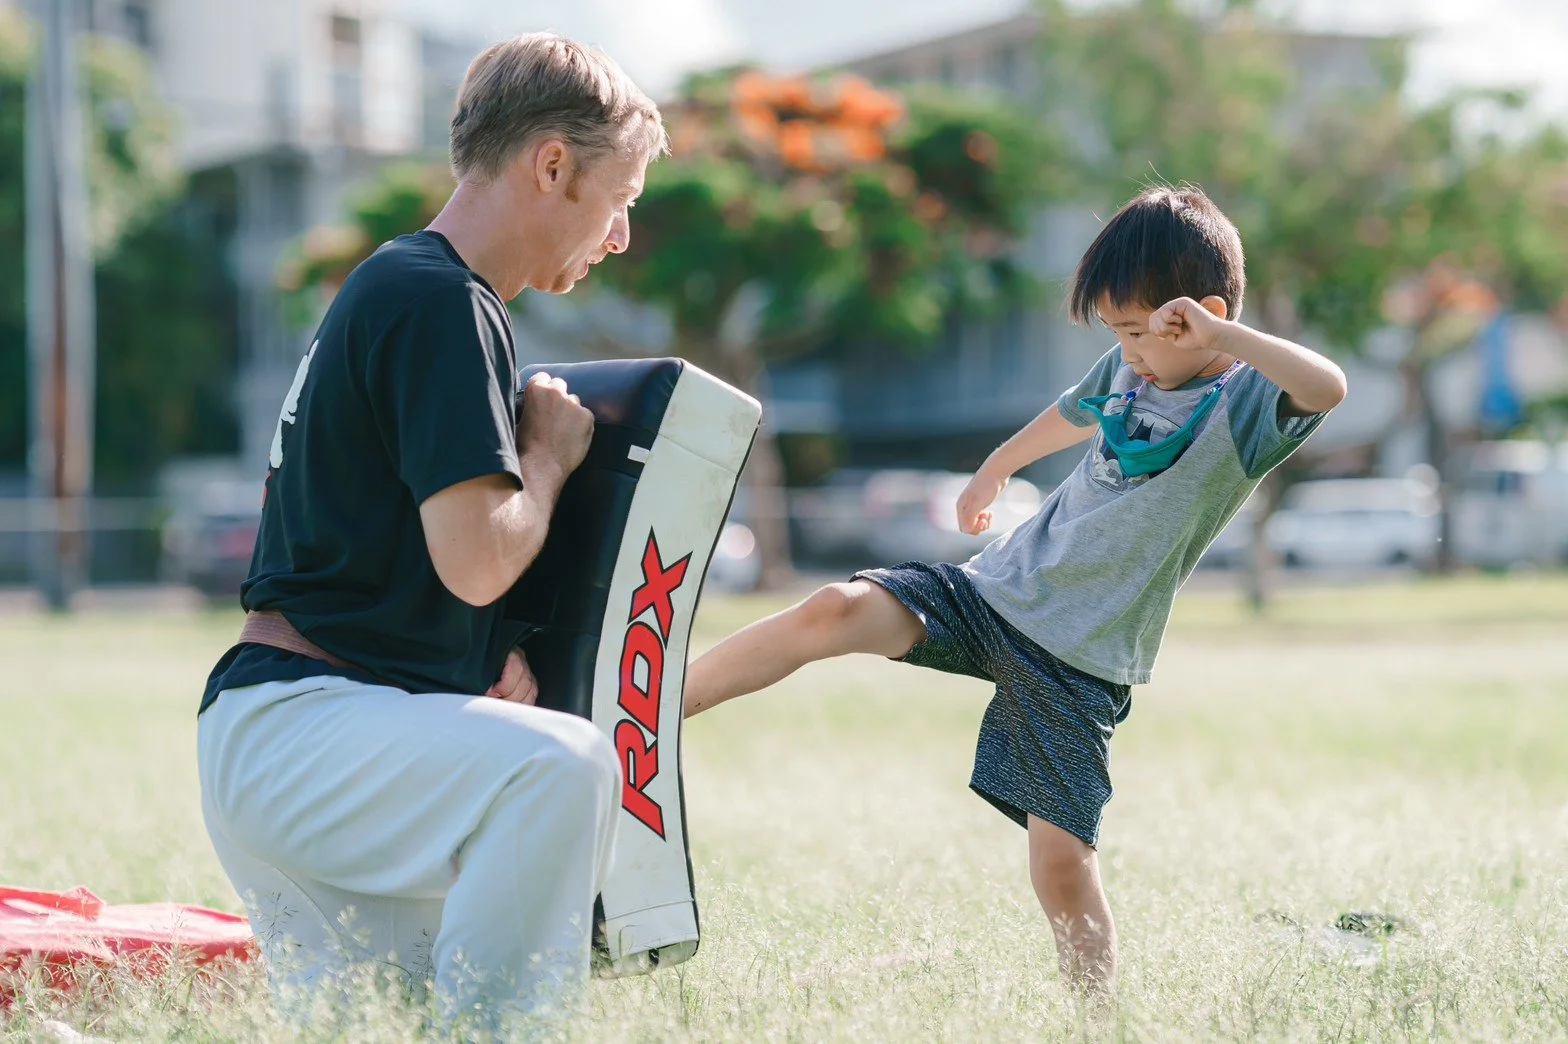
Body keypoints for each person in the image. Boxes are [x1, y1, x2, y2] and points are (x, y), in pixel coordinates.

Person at [683, 185, 1347, 1002]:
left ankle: (1096, 1020)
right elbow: (1069, 414)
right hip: (993, 593)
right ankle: (650, 711)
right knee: (835, 607)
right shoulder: (1129, 373)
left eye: (1141, 331)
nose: (1130, 350)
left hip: (1080, 658)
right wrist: (996, 466)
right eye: (1117, 332)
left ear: (1199, 314)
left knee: (1062, 866)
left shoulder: (1246, 404)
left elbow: (1328, 388)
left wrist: (1225, 335)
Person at [195, 33, 665, 1030]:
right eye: (619, 200)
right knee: (563, 765)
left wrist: (490, 663)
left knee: (380, 1022)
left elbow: (393, 563)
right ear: (551, 165)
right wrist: (545, 455)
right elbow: (478, 560)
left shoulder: (405, 285)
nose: (620, 235)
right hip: (309, 732)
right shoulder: (443, 299)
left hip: (294, 734)